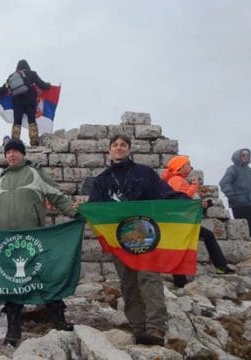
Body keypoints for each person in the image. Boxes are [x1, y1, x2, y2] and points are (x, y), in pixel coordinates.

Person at [0, 139, 77, 347]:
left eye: (15, 152)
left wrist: (75, 212)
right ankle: (13, 329)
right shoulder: (1, 178)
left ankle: (58, 319)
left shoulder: (36, 173)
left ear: (23, 154)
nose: (11, 155)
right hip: (8, 240)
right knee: (12, 281)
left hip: (33, 238)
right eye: (8, 152)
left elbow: (56, 196)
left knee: (42, 276)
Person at [88, 134, 179, 346]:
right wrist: (79, 212)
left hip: (145, 236)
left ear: (129, 150)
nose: (119, 148)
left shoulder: (144, 173)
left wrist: (190, 203)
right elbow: (94, 208)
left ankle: (156, 329)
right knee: (128, 283)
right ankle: (138, 329)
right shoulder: (102, 180)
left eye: (123, 145)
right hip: (119, 241)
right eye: (115, 145)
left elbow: (165, 194)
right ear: (109, 150)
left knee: (149, 279)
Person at [161, 156, 235, 288]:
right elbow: (181, 200)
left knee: (183, 245)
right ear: (180, 167)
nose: (191, 167)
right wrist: (194, 187)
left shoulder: (175, 180)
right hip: (180, 222)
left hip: (178, 221)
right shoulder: (177, 180)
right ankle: (220, 267)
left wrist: (200, 204)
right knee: (205, 237)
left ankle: (180, 281)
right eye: (188, 164)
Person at [0, 59, 51, 146]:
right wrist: (48, 85)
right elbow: (42, 85)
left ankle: (15, 141)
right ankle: (34, 141)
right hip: (30, 101)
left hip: (17, 102)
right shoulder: (32, 74)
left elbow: (3, 89)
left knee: (17, 121)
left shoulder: (12, 76)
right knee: (31, 120)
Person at [219, 148, 251, 241]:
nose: (246, 157)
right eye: (243, 155)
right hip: (238, 202)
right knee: (241, 224)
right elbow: (224, 183)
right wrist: (231, 195)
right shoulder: (232, 169)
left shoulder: (250, 171)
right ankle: (242, 241)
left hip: (250, 202)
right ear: (238, 157)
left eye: (247, 155)